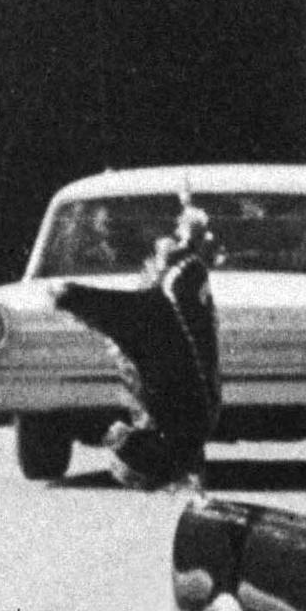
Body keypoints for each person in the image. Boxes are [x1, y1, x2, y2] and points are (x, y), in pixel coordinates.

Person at [54, 204, 222, 489]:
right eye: (126, 441)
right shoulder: (173, 413)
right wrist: (69, 297)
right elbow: (139, 322)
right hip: (172, 317)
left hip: (175, 314)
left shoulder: (187, 428)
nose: (118, 430)